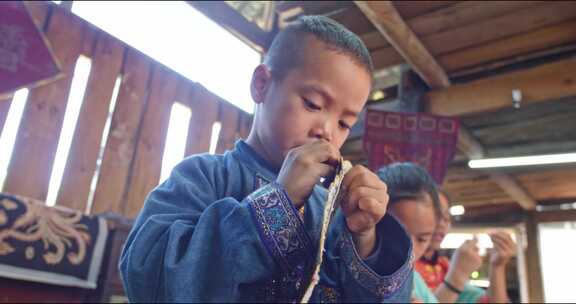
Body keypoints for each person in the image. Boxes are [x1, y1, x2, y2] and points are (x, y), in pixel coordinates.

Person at [119, 16, 413, 302]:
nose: (326, 131)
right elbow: (147, 278)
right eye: (313, 104)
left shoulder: (332, 212)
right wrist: (278, 201)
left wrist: (367, 239)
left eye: (344, 124)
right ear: (261, 85)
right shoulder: (203, 176)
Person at [417, 190, 516, 303]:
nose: (442, 223)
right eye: (435, 214)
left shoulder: (443, 266)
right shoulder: (402, 270)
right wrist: (457, 275)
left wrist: (497, 265)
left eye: (446, 217)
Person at [376, 162, 442, 303]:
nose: (410, 252)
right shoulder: (345, 277)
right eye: (398, 235)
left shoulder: (415, 280)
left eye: (422, 239)